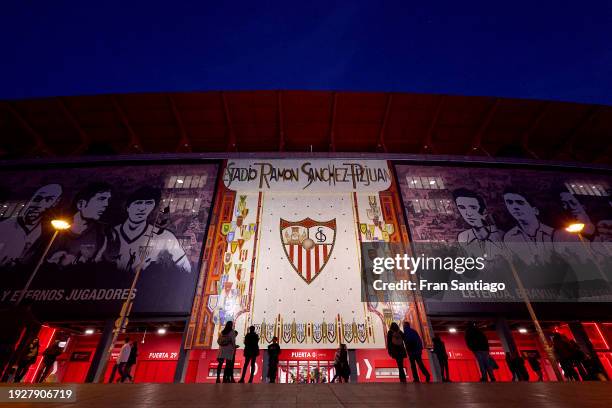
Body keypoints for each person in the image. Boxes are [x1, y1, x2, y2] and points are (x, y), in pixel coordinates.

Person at [113, 186, 191, 273]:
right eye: (138, 203)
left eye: (149, 203)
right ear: (127, 206)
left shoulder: (165, 237)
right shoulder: (110, 234)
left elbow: (186, 269)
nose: (143, 208)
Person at [47, 182, 114, 265]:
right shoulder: (55, 227)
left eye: (108, 200)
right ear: (81, 204)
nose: (106, 204)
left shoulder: (103, 232)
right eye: (101, 199)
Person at [0, 184, 63, 267]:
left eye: (48, 200)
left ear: (55, 203)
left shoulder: (45, 234)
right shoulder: (4, 226)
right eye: (38, 198)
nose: (40, 204)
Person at [452, 188, 504, 258]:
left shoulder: (499, 233)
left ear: (483, 209)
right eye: (462, 208)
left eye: (473, 207)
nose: (468, 214)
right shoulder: (463, 237)